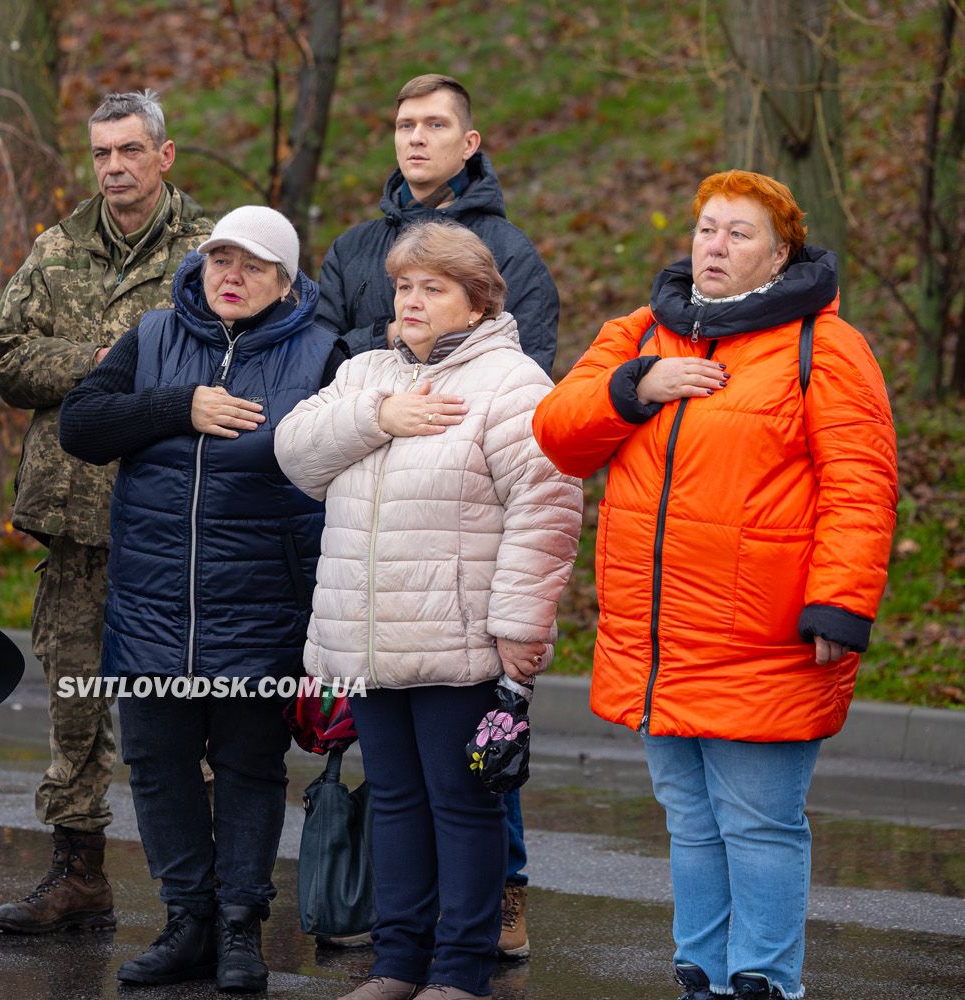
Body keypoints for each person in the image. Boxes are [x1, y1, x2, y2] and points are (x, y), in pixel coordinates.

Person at [532, 170, 897, 1000]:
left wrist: (839, 605)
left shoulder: (825, 347)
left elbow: (861, 486)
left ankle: (764, 982)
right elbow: (559, 433)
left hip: (765, 636)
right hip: (658, 635)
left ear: (779, 254)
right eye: (706, 229)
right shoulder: (640, 333)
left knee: (758, 824)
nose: (715, 246)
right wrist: (636, 388)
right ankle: (703, 975)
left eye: (739, 233)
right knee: (691, 822)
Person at [275, 221, 582, 1000]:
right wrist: (381, 416)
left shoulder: (513, 384)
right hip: (371, 637)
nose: (410, 300)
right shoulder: (368, 373)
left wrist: (519, 625)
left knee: (462, 806)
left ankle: (459, 972)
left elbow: (545, 509)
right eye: (404, 285)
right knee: (397, 804)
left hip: (459, 636)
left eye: (432, 288)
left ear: (477, 303)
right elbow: (295, 451)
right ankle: (398, 965)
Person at [60, 206, 345, 992]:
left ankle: (239, 930)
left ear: (285, 282)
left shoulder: (325, 353)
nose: (232, 275)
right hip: (152, 605)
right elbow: (81, 425)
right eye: (221, 258)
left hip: (262, 602)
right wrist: (175, 405)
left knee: (250, 766)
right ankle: (186, 919)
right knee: (156, 764)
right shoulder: (152, 336)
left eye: (253, 265)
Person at [315, 73, 557, 953]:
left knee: (473, 773)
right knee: (403, 777)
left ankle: (500, 901)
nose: (415, 138)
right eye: (403, 123)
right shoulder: (351, 248)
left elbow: (529, 382)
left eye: (435, 125)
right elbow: (326, 351)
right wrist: (379, 399)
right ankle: (403, 931)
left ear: (471, 140)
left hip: (460, 518)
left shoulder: (511, 253)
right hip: (375, 511)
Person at [0, 90, 211, 934]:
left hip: (176, 517)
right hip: (74, 515)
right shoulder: (57, 250)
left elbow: (233, 354)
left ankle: (205, 895)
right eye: (100, 154)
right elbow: (4, 360)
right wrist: (100, 361)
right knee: (75, 694)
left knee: (188, 705)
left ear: (164, 154)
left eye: (128, 150)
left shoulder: (211, 249)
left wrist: (140, 376)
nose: (113, 168)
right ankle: (78, 872)